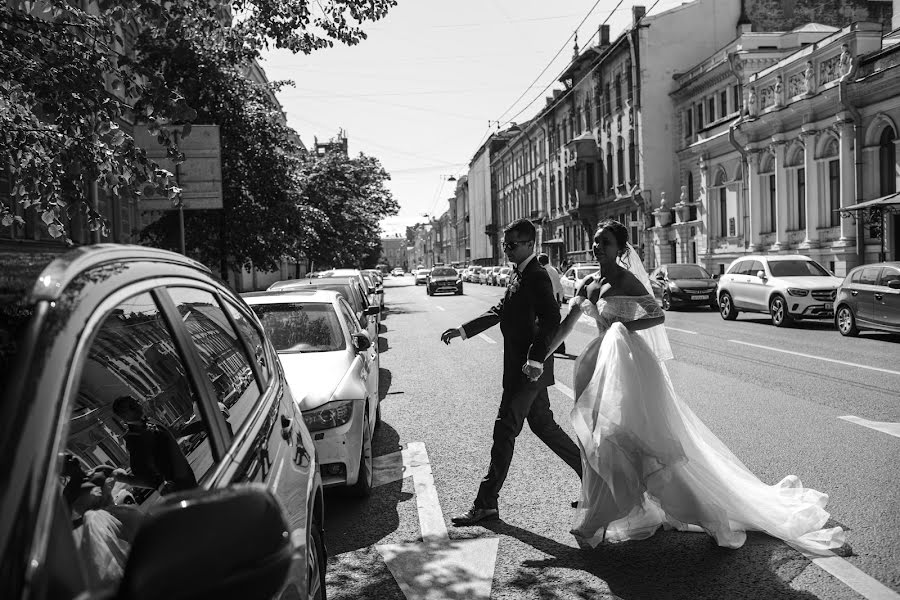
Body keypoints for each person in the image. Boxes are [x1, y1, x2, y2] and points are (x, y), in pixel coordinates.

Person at [545, 219, 845, 554]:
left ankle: (707, 514)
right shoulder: (587, 282)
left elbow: (656, 315)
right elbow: (568, 322)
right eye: (597, 241)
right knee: (600, 443)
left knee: (646, 446)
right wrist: (539, 357)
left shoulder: (626, 279)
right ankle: (602, 516)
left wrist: (624, 325)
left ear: (619, 248)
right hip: (596, 365)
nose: (598, 246)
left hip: (627, 367)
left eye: (605, 242)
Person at [440, 218, 582, 525]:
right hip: (526, 369)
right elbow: (501, 311)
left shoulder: (537, 276)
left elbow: (550, 318)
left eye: (512, 245)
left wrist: (534, 359)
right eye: (505, 244)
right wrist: (464, 330)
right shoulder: (519, 274)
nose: (506, 250)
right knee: (544, 427)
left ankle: (486, 503)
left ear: (531, 244)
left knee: (505, 430)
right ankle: (594, 478)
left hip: (527, 370)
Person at [110, 395, 198, 495]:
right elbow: (140, 471)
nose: (138, 405)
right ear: (124, 415)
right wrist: (160, 485)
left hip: (188, 476)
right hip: (175, 488)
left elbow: (176, 432)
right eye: (132, 406)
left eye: (136, 402)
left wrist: (206, 423)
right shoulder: (133, 438)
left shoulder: (151, 421)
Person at [537, 253, 566, 356]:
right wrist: (560, 300)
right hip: (554, 299)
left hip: (547, 301)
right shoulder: (553, 270)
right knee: (554, 324)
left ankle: (554, 346)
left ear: (540, 262)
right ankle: (560, 346)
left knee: (546, 325)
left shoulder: (545, 271)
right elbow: (559, 287)